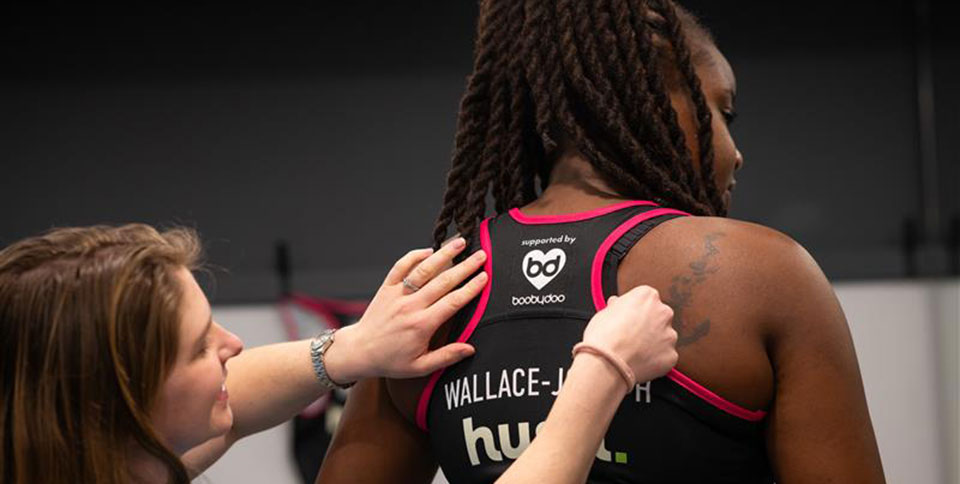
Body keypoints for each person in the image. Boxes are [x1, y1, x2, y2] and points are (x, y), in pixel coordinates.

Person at [317, 0, 886, 483]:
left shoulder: (436, 296)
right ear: (656, 102)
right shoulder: (762, 273)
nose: (735, 153)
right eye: (724, 112)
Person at [0, 223, 677, 484]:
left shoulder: (84, 454)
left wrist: (349, 352)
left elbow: (231, 405)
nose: (234, 347)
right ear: (111, 403)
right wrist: (603, 371)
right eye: (201, 349)